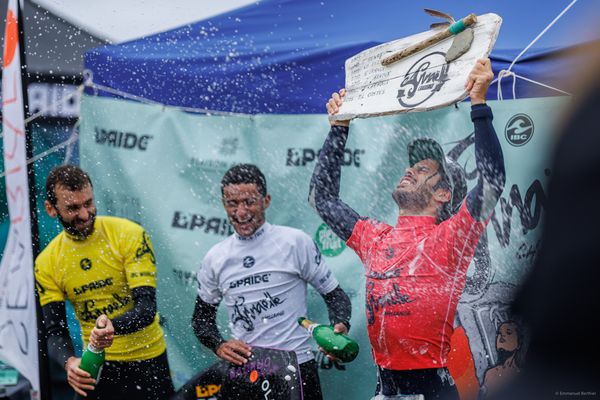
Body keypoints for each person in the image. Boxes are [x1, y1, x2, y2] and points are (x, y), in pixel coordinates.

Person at [309, 58, 505, 399]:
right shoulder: (374, 237)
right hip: (384, 389)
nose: (410, 170)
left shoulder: (451, 238)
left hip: (432, 389)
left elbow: (492, 182)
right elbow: (322, 198)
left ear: (443, 193)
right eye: (411, 165)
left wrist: (478, 104)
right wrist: (339, 126)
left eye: (424, 169)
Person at [192, 163, 352, 400]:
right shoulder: (216, 257)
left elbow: (335, 295)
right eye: (232, 203)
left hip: (296, 367)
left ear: (266, 201)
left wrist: (340, 324)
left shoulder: (295, 242)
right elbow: (201, 319)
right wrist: (219, 345)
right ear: (224, 204)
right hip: (245, 371)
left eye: (249, 202)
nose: (241, 212)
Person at [34, 165, 174, 400]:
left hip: (148, 363)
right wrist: (69, 362)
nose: (84, 215)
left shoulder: (129, 234)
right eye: (73, 208)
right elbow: (55, 331)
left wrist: (112, 326)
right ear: (51, 209)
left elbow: (146, 309)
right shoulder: (46, 262)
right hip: (95, 367)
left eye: (88, 203)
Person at [480, 321, 524, 398]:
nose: (502, 336)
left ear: (519, 344)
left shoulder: (521, 375)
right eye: (499, 333)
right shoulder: (489, 373)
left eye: (508, 333)